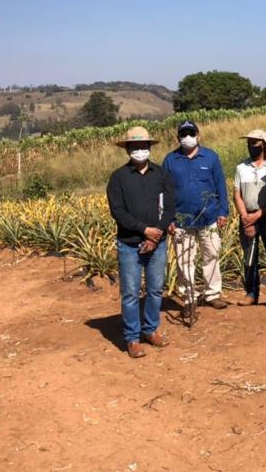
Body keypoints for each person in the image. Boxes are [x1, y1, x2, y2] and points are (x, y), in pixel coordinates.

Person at [106, 126, 175, 358]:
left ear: (149, 148)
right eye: (134, 147)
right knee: (130, 293)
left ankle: (150, 329)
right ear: (127, 150)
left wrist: (156, 234)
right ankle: (132, 338)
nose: (139, 150)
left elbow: (170, 208)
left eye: (143, 146)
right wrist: (145, 230)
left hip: (158, 243)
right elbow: (118, 212)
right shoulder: (118, 178)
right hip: (129, 243)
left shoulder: (161, 174)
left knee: (155, 290)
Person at [162, 120, 230, 312]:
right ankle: (189, 297)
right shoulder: (170, 160)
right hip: (181, 221)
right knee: (185, 259)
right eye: (183, 134)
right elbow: (164, 191)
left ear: (198, 136)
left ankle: (212, 294)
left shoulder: (210, 157)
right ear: (178, 138)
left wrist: (223, 211)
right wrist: (168, 219)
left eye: (191, 133)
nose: (188, 138)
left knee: (212, 254)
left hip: (208, 217)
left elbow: (220, 185)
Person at [234, 129, 266, 307]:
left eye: (254, 143)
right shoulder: (241, 167)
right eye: (249, 143)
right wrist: (245, 217)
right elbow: (237, 194)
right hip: (247, 216)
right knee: (249, 258)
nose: (251, 146)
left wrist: (257, 215)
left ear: (263, 145)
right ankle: (251, 293)